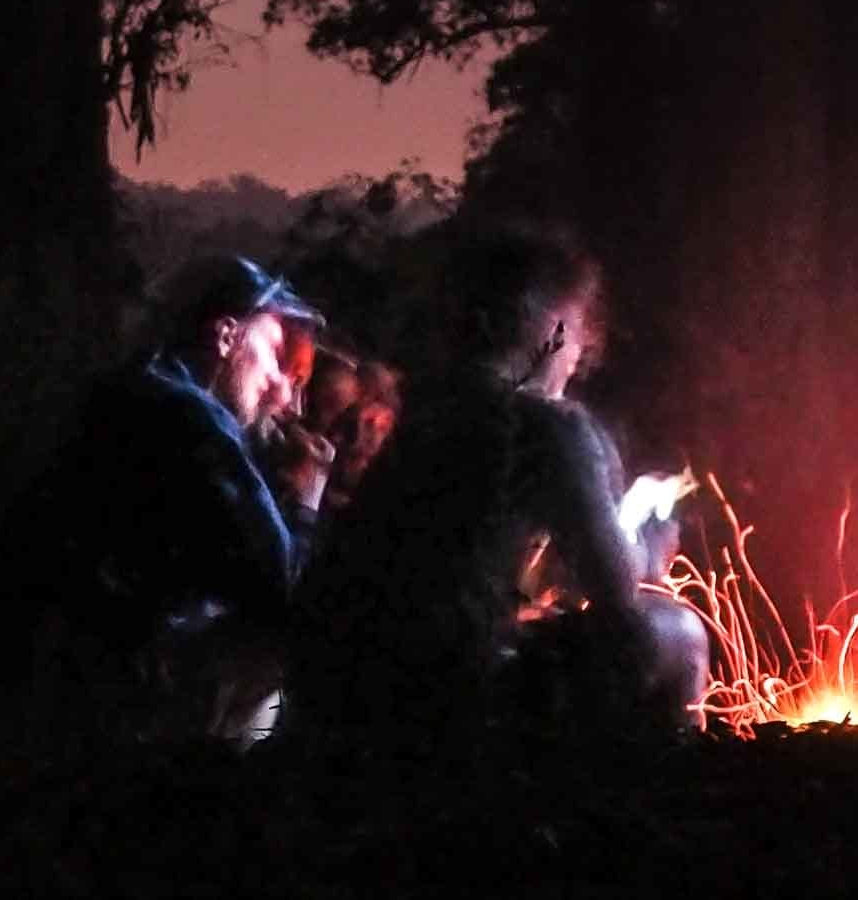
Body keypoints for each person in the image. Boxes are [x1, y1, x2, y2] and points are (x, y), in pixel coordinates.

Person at [289, 228, 710, 742]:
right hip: (442, 700)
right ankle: (671, 791)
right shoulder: (547, 424)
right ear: (551, 326)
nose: (581, 353)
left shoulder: (424, 413)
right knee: (674, 631)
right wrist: (653, 544)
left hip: (343, 688)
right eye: (579, 332)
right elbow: (617, 589)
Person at [0, 255, 328, 738]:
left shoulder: (134, 387)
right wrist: (309, 488)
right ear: (227, 336)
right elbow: (280, 579)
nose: (281, 391)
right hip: (130, 695)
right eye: (274, 354)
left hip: (65, 669)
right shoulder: (196, 420)